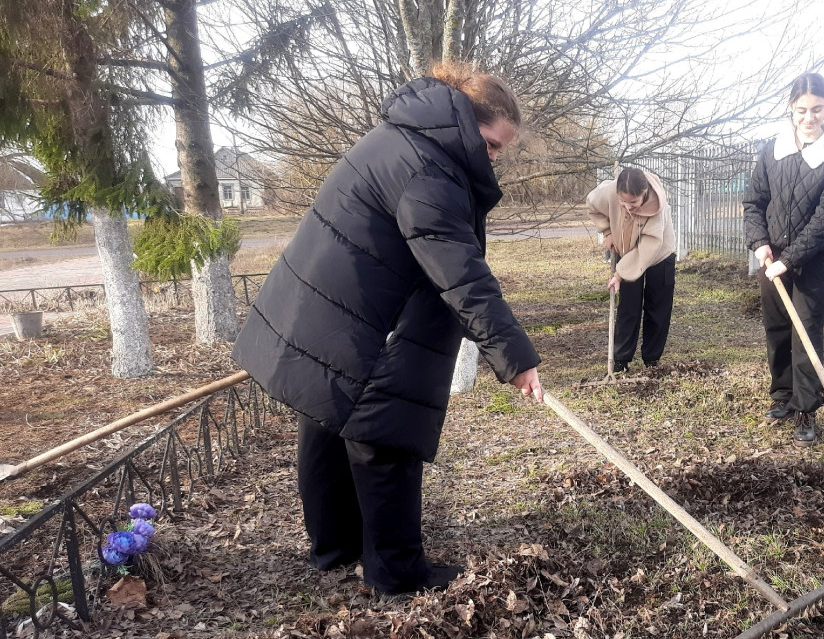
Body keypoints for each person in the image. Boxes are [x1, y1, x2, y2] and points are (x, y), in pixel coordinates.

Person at [232, 62, 543, 597]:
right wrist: (514, 357)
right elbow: (461, 273)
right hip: (366, 317)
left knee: (325, 418)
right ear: (467, 123)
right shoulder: (429, 170)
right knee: (384, 438)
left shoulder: (397, 137)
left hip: (318, 306)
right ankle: (397, 574)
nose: (492, 159)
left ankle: (334, 548)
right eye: (492, 145)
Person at [743, 72, 824, 445]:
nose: (810, 118)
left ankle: (807, 407)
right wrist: (759, 243)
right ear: (791, 107)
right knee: (777, 327)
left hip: (811, 259)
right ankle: (783, 396)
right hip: (771, 257)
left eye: (817, 109)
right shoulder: (772, 150)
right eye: (802, 109)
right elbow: (754, 202)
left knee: (805, 331)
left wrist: (788, 260)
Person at [585, 167, 677, 372]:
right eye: (622, 202)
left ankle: (652, 359)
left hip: (659, 253)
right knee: (628, 306)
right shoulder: (609, 191)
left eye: (633, 203)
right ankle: (621, 360)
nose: (627, 207)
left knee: (657, 307)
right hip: (625, 249)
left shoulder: (656, 206)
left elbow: (648, 248)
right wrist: (607, 231)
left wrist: (620, 273)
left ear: (643, 195)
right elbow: (592, 206)